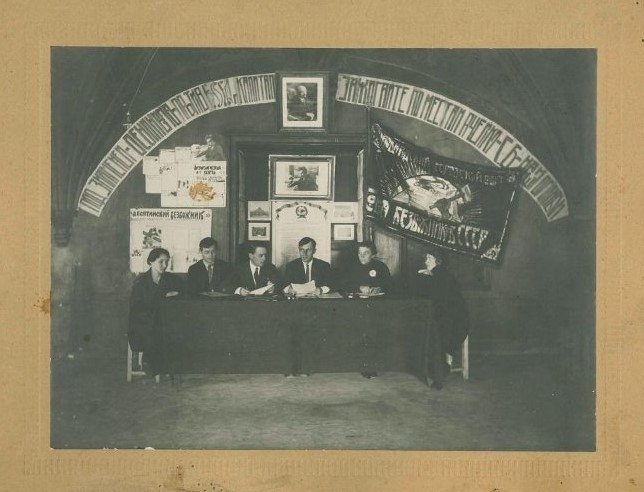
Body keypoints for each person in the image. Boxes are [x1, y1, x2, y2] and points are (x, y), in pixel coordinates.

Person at [415, 250, 470, 389]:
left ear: (438, 260)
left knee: (435, 333)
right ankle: (440, 365)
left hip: (454, 320)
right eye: (426, 258)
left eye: (429, 258)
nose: (426, 261)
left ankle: (439, 371)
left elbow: (440, 301)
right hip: (452, 317)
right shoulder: (439, 274)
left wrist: (427, 277)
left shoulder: (440, 276)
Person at [128, 248, 182, 376]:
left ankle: (162, 365)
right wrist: (162, 297)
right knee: (156, 329)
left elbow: (181, 295)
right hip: (143, 323)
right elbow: (137, 308)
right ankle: (154, 365)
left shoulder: (172, 280)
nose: (165, 265)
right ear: (151, 262)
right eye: (161, 262)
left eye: (167, 262)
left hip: (165, 322)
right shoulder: (141, 282)